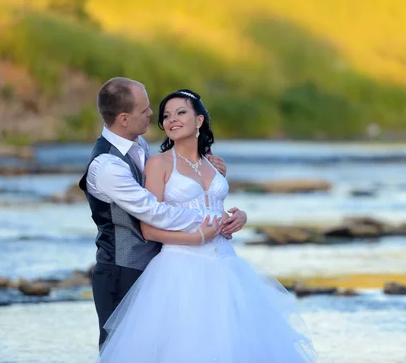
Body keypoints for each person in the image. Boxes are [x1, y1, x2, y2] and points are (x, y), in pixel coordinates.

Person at [97, 89, 317, 362]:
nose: (171, 120)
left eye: (180, 112)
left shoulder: (212, 164)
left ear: (199, 120)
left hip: (226, 267)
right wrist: (198, 237)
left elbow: (213, 211)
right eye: (166, 116)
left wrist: (239, 217)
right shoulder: (158, 164)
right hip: (180, 270)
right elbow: (149, 229)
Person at [79, 77, 246, 348]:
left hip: (163, 266)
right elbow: (153, 211)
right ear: (123, 118)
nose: (152, 115)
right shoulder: (107, 164)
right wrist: (208, 223)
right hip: (122, 269)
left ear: (199, 120)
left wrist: (229, 209)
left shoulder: (139, 147)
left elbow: (177, 182)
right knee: (123, 351)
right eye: (145, 110)